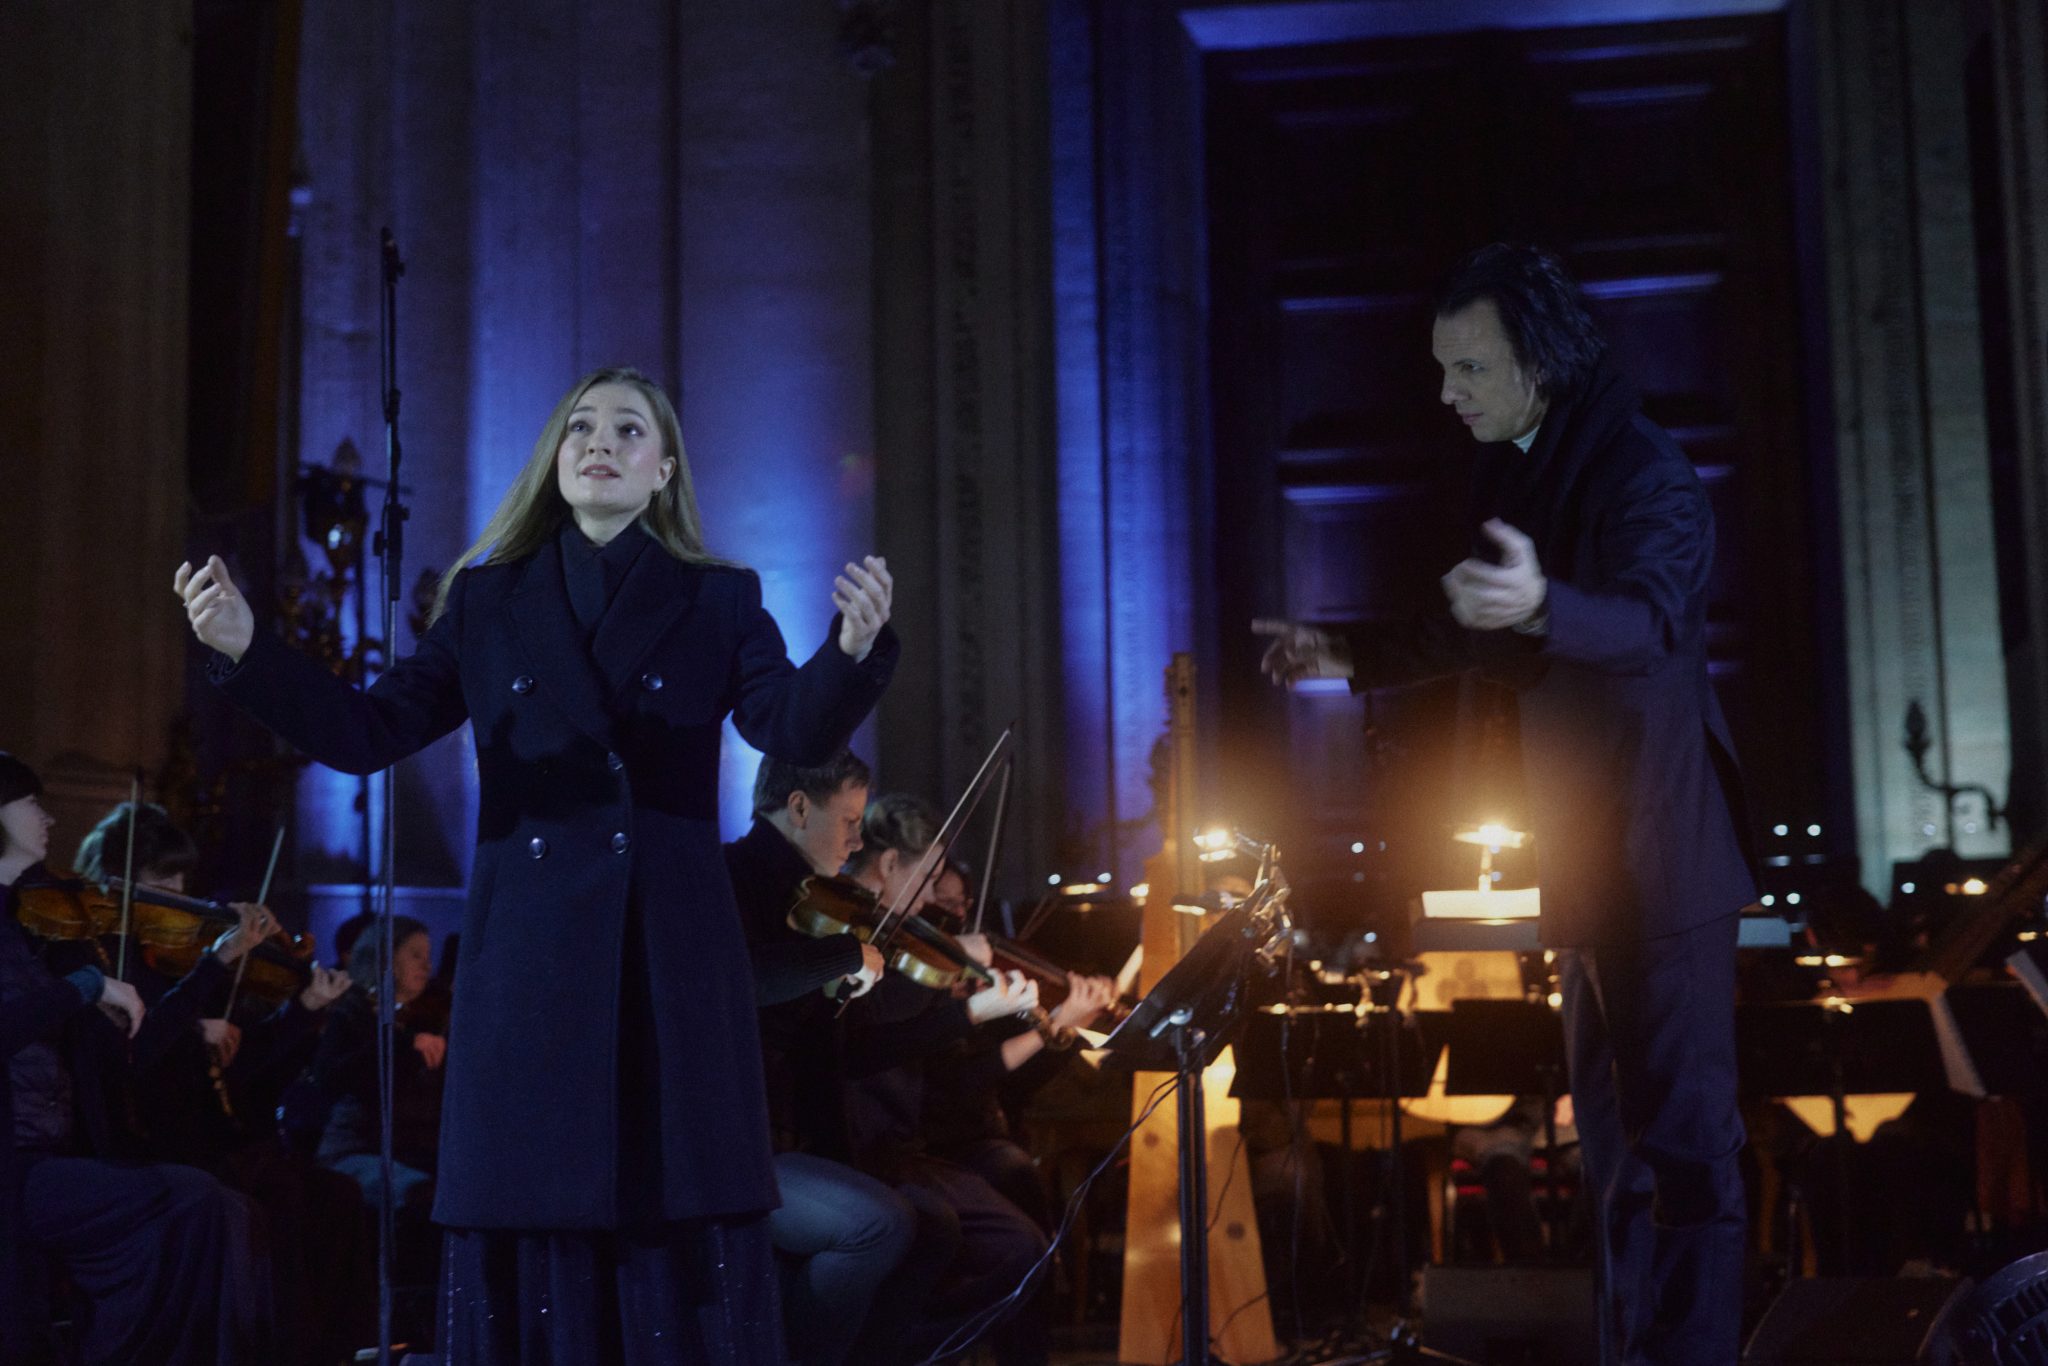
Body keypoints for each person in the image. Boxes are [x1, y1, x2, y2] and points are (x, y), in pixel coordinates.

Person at [173, 365, 899, 1365]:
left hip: (667, 968)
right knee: (541, 1231)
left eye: (628, 429)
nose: (599, 441)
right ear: (557, 463)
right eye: (580, 428)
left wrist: (851, 649)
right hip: (532, 972)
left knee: (668, 1222)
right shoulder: (485, 601)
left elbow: (788, 723)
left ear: (662, 470)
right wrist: (248, 649)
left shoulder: (719, 597)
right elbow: (370, 728)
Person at [1256, 243, 1757, 1365]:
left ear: (1534, 357)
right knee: (1614, 1152)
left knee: (1684, 1153)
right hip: (1589, 860)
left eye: (1468, 369)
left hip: (1664, 860)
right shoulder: (1526, 466)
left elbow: (1648, 622)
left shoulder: (1641, 470)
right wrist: (1346, 650)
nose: (1447, 394)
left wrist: (1540, 606)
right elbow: (1471, 623)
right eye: (1440, 370)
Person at [0, 753, 274, 1365]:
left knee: (222, 1208)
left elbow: (125, 1055)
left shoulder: (36, 926)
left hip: (57, 1158)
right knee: (196, 1203)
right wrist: (85, 989)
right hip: (15, 1168)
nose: (47, 817)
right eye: (30, 804)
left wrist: (207, 969)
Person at [723, 750, 929, 1366]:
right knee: (883, 1224)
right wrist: (840, 957)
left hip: (789, 1134)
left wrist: (963, 1003)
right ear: (797, 807)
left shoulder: (813, 896)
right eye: (848, 821)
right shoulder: (731, 877)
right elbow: (740, 979)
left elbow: (854, 1042)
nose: (857, 839)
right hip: (731, 1142)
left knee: (929, 1227)